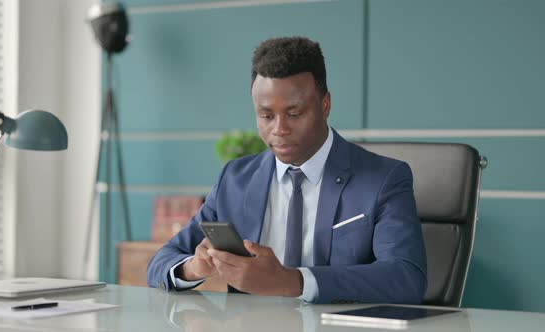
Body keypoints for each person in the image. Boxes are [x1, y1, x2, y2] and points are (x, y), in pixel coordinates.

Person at [147, 36, 427, 304]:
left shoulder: (384, 179)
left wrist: (292, 281)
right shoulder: (235, 179)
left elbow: (406, 277)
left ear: (325, 104)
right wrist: (194, 268)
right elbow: (161, 262)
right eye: (266, 116)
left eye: (294, 114)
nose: (279, 129)